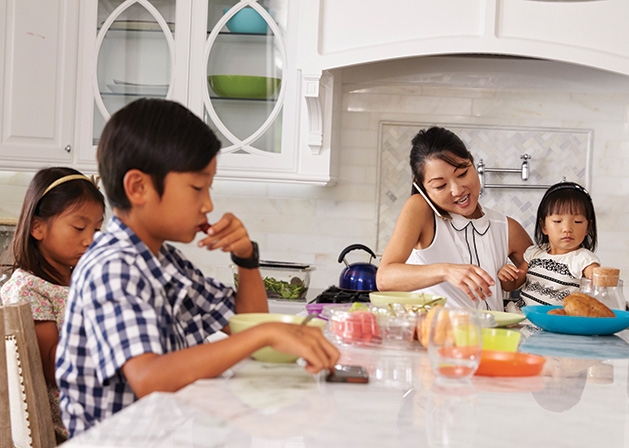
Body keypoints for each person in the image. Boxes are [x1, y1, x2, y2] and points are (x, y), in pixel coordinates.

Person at [55, 98, 340, 437]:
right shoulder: (112, 266)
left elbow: (244, 323)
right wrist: (264, 333)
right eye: (197, 187)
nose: (208, 204)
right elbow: (150, 378)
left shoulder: (165, 261)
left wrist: (246, 258)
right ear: (138, 187)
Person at [1, 167, 105, 443]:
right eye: (79, 227)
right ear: (37, 227)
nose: (90, 239)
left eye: (97, 229)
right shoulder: (29, 289)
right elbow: (56, 371)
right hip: (75, 427)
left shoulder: (75, 281)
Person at [376, 126, 532, 311]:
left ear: (471, 160)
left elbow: (543, 267)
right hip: (435, 336)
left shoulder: (505, 227)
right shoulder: (420, 209)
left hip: (493, 337)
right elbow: (384, 278)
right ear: (422, 187)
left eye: (462, 174)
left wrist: (512, 280)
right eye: (441, 186)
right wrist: (446, 271)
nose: (457, 190)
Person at [499, 181, 599, 308]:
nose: (567, 228)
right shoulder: (535, 252)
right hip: (520, 316)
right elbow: (512, 286)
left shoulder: (584, 259)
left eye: (577, 222)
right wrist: (507, 277)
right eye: (558, 221)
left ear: (588, 228)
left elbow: (599, 282)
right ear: (544, 226)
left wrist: (598, 279)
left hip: (556, 323)